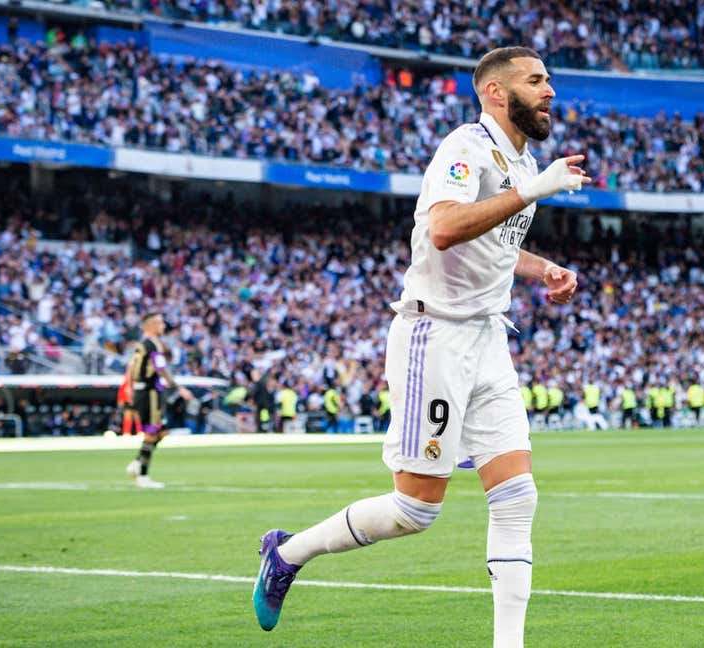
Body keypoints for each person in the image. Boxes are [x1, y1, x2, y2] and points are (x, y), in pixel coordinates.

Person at [253, 46, 590, 647]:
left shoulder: (523, 160)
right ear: (494, 92)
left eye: (548, 81)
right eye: (536, 80)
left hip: (488, 336)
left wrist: (543, 270)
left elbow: (490, 244)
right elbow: (444, 226)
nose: (550, 91)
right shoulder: (465, 147)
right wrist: (537, 188)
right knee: (415, 512)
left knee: (517, 495)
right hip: (433, 336)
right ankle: (287, 554)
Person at [124, 312, 193, 489]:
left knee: (161, 432)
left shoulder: (142, 345)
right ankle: (143, 475)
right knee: (152, 431)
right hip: (150, 392)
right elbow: (161, 369)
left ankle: (137, 463)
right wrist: (179, 388)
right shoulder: (153, 345)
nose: (163, 326)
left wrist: (131, 389)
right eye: (161, 323)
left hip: (144, 391)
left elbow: (131, 367)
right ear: (152, 325)